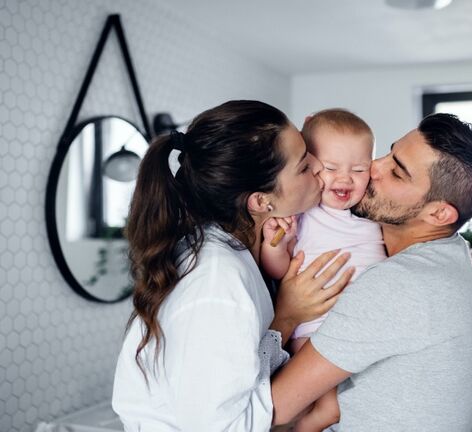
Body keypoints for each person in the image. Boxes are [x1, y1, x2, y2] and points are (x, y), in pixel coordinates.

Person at [111, 100, 355, 431]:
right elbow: (222, 426)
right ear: (260, 201)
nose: (318, 165)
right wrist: (287, 317)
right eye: (302, 165)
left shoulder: (240, 250)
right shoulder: (216, 282)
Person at [271, 113, 472, 431]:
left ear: (439, 213)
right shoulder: (448, 253)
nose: (373, 168)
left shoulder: (400, 285)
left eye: (396, 173)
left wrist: (286, 316)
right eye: (387, 153)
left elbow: (273, 409)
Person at [260, 109, 387, 431]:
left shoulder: (372, 211)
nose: (345, 179)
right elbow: (280, 271)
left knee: (361, 398)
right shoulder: (304, 211)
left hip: (363, 327)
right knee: (327, 409)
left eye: (359, 170)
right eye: (331, 168)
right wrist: (275, 246)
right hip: (314, 327)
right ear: (310, 166)